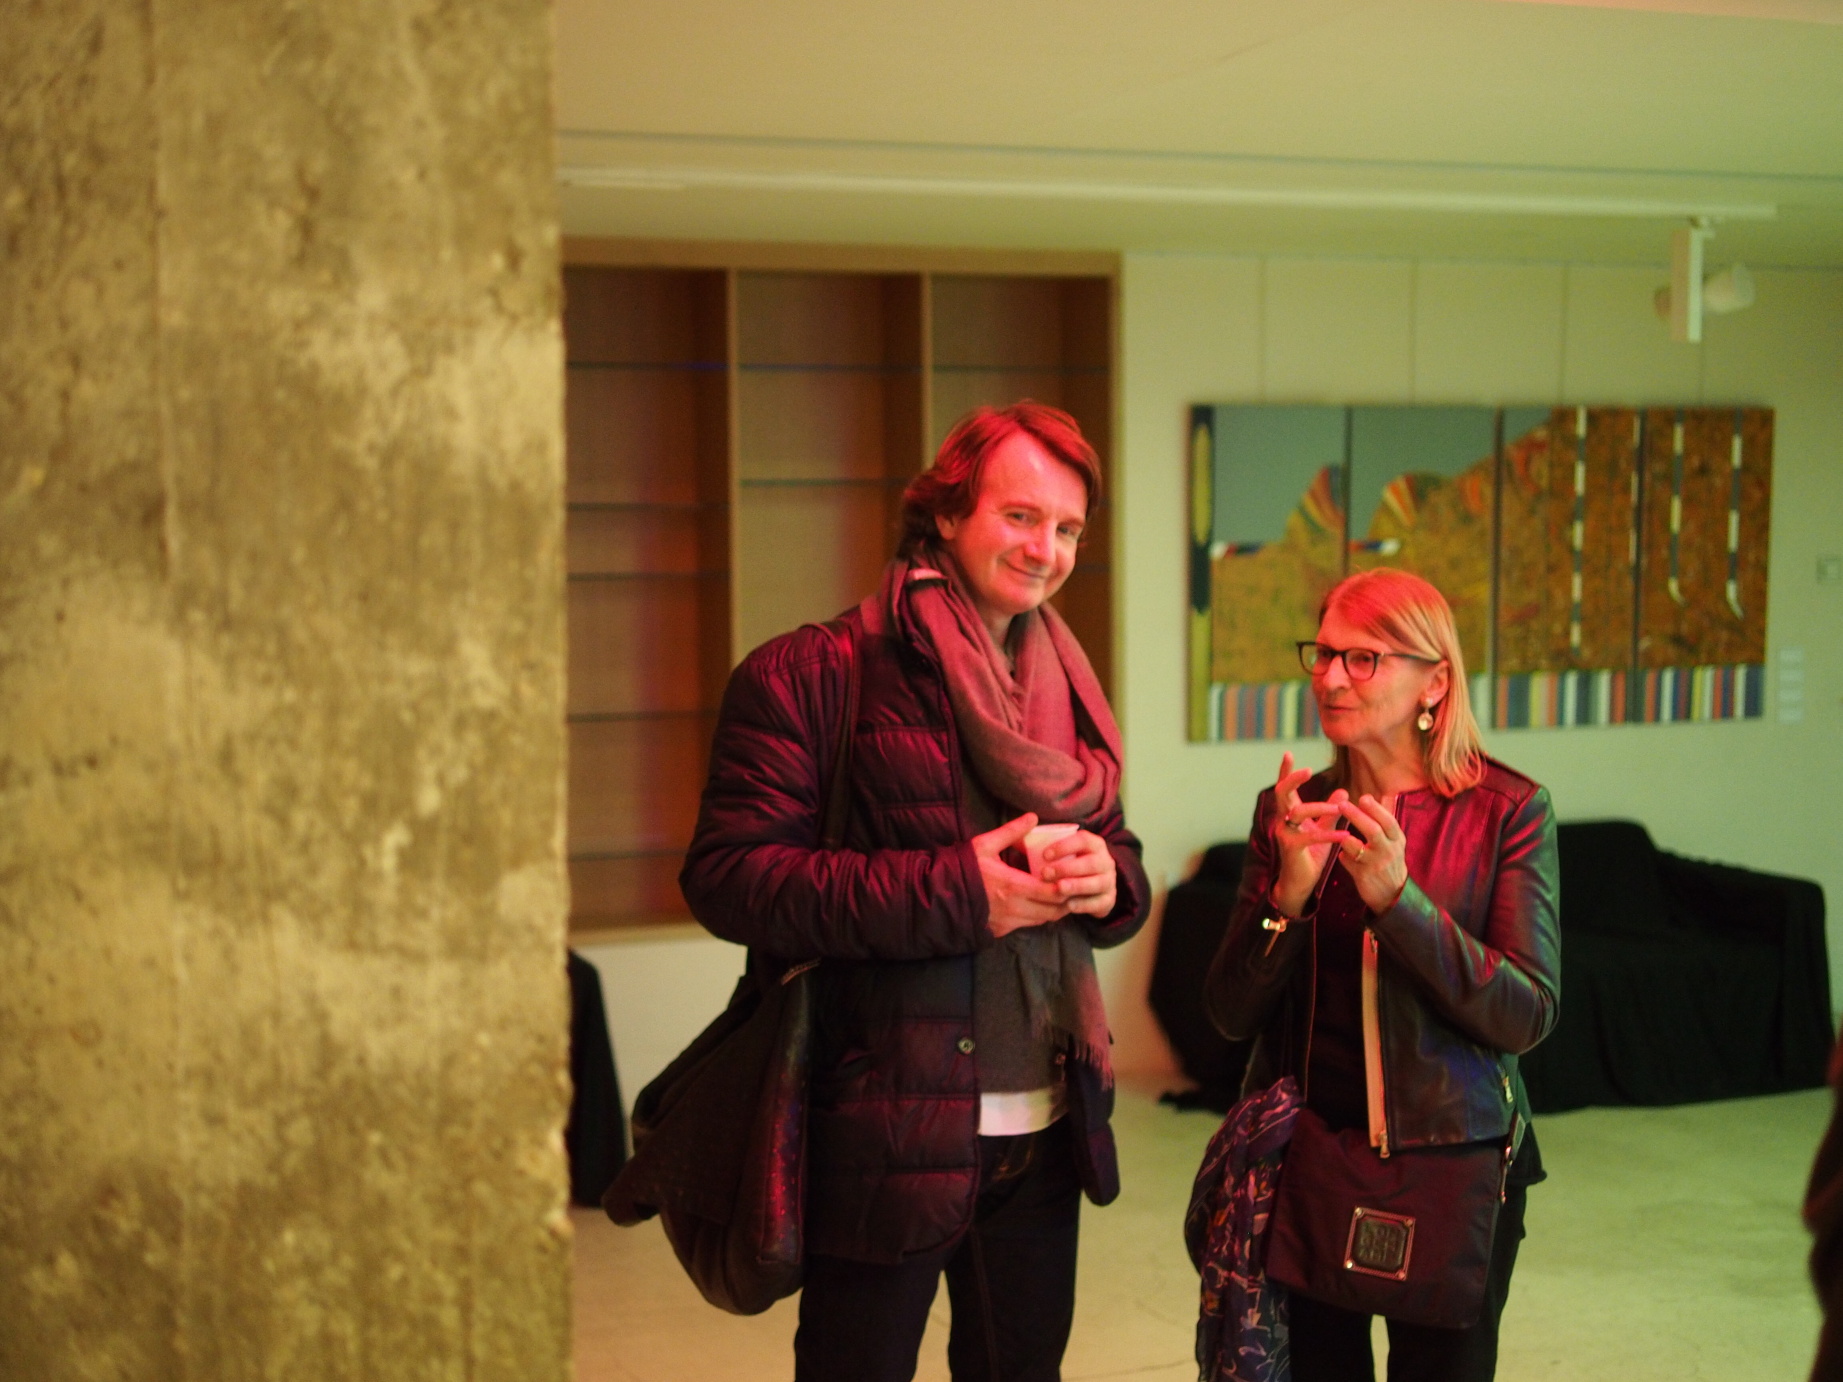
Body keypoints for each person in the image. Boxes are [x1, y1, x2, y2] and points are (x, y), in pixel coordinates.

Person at [681, 401, 1151, 1382]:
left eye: (1068, 528)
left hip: (1047, 1126)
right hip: (882, 1127)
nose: (1047, 550)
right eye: (1020, 516)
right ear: (944, 512)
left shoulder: (1065, 680)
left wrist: (1109, 881)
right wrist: (957, 892)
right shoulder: (812, 671)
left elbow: (1119, 854)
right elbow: (729, 878)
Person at [1204, 568, 1560, 1382]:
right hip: (1309, 1162)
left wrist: (1401, 904)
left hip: (1452, 1169)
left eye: (1363, 658)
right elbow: (1227, 1013)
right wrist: (1286, 900)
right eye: (1324, 654)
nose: (1331, 678)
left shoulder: (1506, 811)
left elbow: (1526, 1014)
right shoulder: (1291, 809)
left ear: (1433, 681)